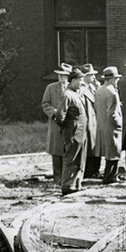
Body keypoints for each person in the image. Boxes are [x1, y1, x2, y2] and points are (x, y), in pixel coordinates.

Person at [54, 68, 88, 196]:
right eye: (80, 80)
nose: (82, 82)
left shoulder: (75, 93)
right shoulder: (67, 95)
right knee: (70, 159)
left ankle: (76, 184)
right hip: (73, 133)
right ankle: (67, 185)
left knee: (80, 160)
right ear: (73, 81)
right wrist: (67, 128)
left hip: (80, 133)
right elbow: (59, 115)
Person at [41, 63, 71, 184]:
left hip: (69, 123)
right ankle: (57, 177)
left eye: (63, 75)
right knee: (56, 151)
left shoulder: (73, 88)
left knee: (68, 151)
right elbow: (45, 104)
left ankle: (66, 177)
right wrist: (55, 114)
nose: (61, 78)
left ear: (68, 76)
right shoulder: (51, 88)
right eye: (59, 75)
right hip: (55, 124)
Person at [95, 66, 123, 184]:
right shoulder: (112, 92)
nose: (117, 81)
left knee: (109, 153)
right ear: (111, 79)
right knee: (113, 152)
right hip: (112, 127)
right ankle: (110, 177)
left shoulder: (99, 90)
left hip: (102, 125)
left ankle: (111, 176)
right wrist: (120, 124)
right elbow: (112, 113)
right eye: (116, 79)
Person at [80, 64, 100, 179]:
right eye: (91, 75)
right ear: (86, 76)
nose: (93, 77)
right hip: (87, 122)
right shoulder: (82, 89)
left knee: (95, 146)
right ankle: (88, 171)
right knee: (88, 148)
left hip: (95, 121)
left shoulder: (93, 87)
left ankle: (95, 170)